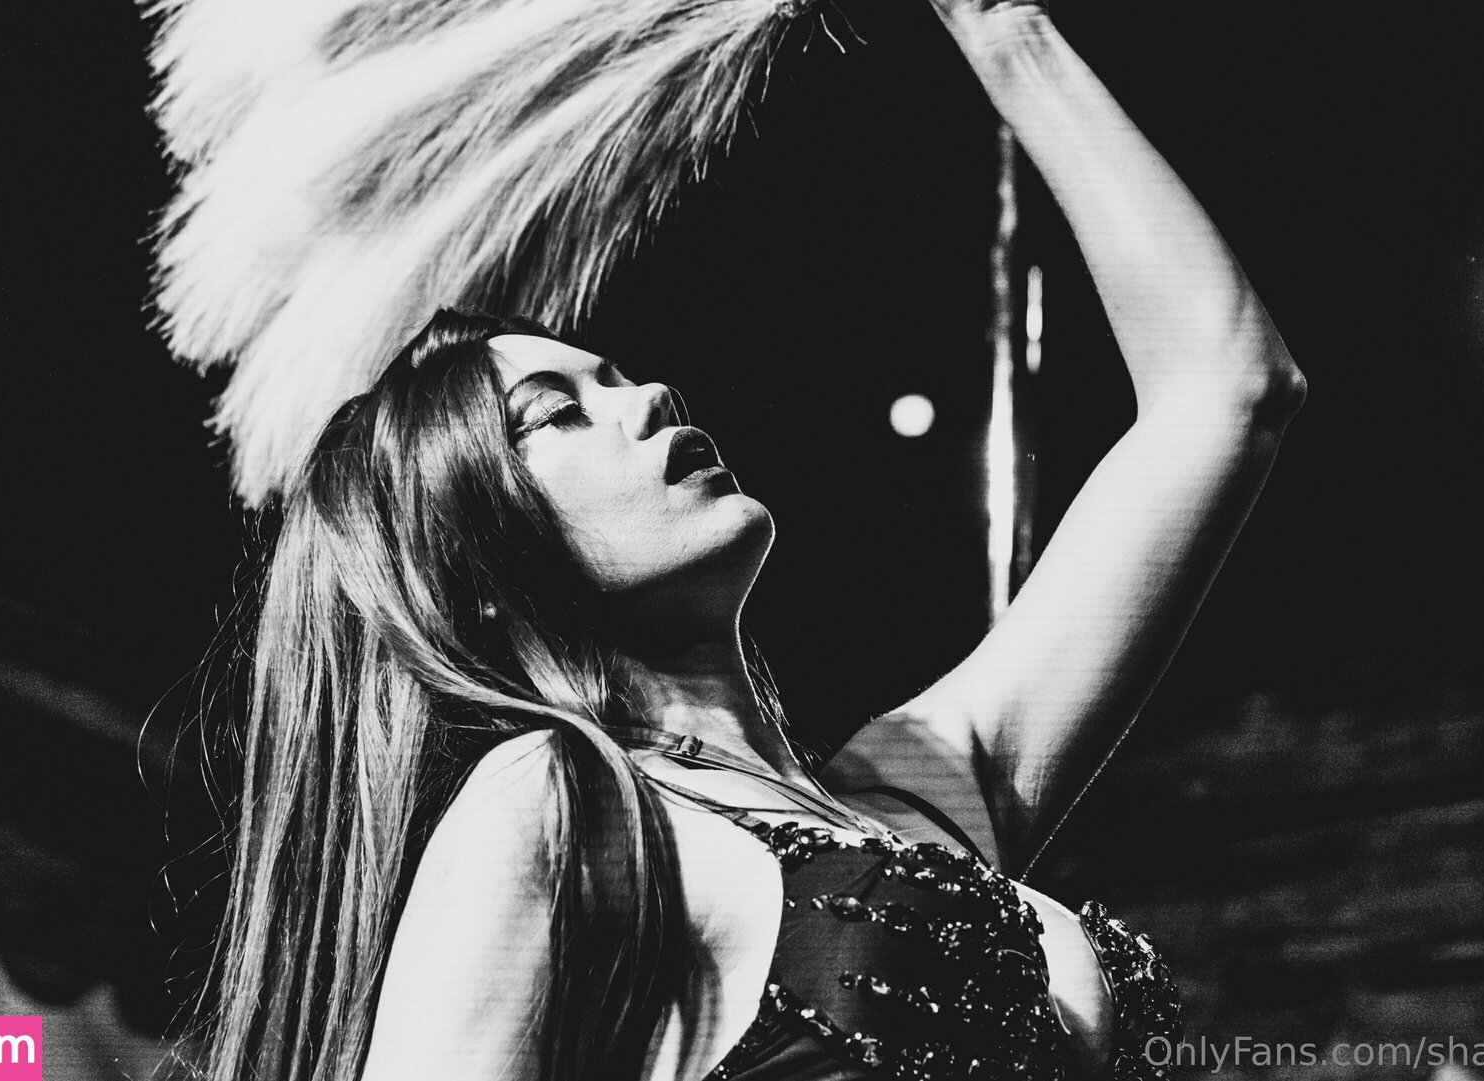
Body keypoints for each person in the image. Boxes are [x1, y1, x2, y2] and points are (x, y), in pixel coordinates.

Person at [187, 0, 1306, 1078]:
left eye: (617, 375)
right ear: (470, 566)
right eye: (558, 413)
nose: (648, 395)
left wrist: (998, 22)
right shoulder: (560, 802)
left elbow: (1228, 388)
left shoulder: (923, 790)